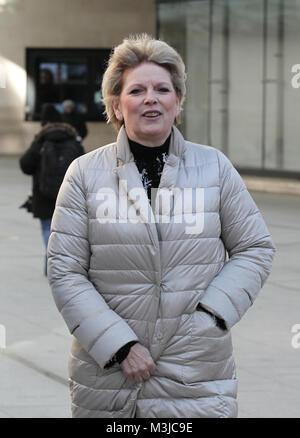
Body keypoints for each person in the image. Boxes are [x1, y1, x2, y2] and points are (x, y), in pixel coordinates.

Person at [47, 34, 275, 418]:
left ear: (177, 102)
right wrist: (120, 346)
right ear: (117, 105)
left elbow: (255, 248)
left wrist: (210, 317)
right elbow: (64, 269)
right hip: (109, 377)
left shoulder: (215, 167)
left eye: (162, 89)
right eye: (137, 90)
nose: (150, 98)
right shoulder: (84, 175)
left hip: (196, 371)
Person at [20, 103, 84, 275]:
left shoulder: (40, 140)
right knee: (68, 231)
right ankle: (61, 263)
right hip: (69, 195)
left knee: (48, 229)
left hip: (43, 195)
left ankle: (52, 264)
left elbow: (25, 165)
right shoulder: (72, 139)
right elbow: (83, 167)